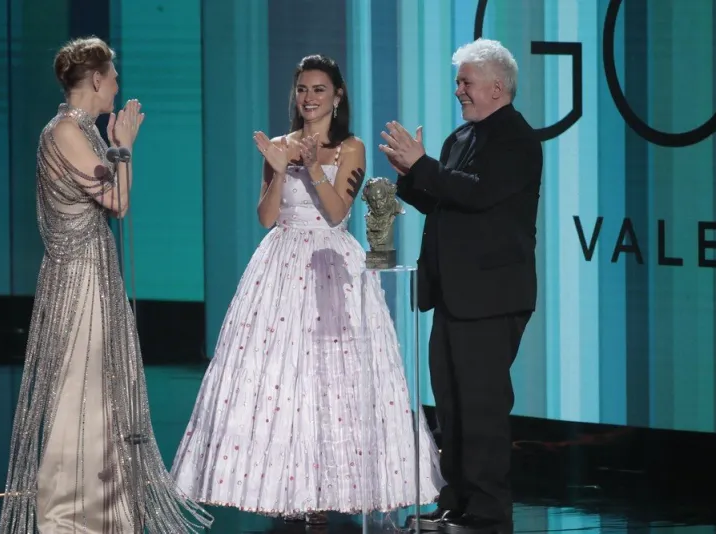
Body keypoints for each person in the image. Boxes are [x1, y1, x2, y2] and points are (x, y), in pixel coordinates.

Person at [171, 54, 443, 526]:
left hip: (330, 264)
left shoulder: (351, 148)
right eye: (302, 89)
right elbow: (265, 217)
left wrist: (313, 165)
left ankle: (332, 490)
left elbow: (337, 213)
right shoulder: (278, 145)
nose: (309, 98)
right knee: (281, 379)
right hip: (280, 265)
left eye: (319, 89)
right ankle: (288, 488)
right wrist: (279, 169)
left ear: (337, 96)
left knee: (333, 376)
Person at [0, 37, 213, 533]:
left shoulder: (83, 132)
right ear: (96, 79)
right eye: (113, 78)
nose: (117, 86)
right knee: (82, 389)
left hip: (96, 272)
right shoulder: (65, 132)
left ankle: (105, 508)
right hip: (78, 280)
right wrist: (126, 146)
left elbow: (114, 200)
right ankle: (70, 514)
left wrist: (117, 148)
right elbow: (117, 201)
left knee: (106, 389)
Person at [379, 38, 542, 534]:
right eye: (458, 81)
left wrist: (425, 167)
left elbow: (480, 194)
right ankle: (456, 502)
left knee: (482, 408)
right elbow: (445, 203)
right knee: (451, 405)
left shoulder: (516, 139)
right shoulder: (461, 138)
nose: (458, 90)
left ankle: (488, 511)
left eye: (466, 81)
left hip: (491, 298)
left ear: (497, 87)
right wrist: (411, 176)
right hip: (454, 294)